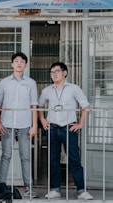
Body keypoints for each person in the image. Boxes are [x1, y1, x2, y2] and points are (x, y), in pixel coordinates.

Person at [38, 62, 93, 200]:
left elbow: (85, 106)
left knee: (74, 159)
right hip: (52, 128)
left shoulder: (74, 89)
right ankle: (55, 189)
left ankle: (81, 190)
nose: (54, 74)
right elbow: (38, 106)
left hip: (69, 127)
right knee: (53, 159)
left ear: (65, 73)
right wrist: (43, 120)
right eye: (52, 72)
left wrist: (80, 124)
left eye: (57, 71)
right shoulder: (47, 90)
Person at [0, 52, 39, 198]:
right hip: (7, 123)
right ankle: (1, 185)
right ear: (12, 64)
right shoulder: (4, 82)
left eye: (22, 61)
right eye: (16, 61)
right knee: (6, 155)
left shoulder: (31, 83)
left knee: (25, 156)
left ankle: (29, 187)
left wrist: (34, 125)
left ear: (25, 64)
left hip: (25, 124)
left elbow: (34, 105)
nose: (19, 63)